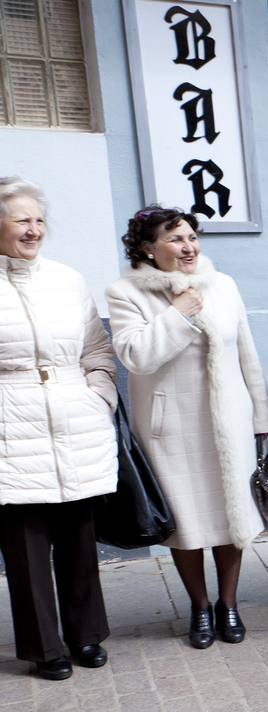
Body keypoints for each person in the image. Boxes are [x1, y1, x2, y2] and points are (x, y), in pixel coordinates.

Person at [107, 207, 268, 650]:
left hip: (229, 422)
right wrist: (179, 312)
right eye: (176, 240)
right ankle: (199, 607)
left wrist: (262, 417)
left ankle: (229, 603)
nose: (189, 247)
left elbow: (247, 354)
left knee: (232, 516)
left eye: (192, 238)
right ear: (147, 247)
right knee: (185, 523)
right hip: (170, 427)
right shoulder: (126, 293)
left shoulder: (222, 285)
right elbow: (136, 356)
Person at [0, 177, 118, 680]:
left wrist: (100, 397)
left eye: (39, 219)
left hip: (75, 419)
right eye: (21, 219)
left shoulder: (68, 279)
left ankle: (85, 636)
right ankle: (44, 647)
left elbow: (97, 349)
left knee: (78, 538)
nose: (34, 229)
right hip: (10, 425)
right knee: (24, 547)